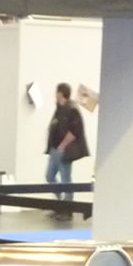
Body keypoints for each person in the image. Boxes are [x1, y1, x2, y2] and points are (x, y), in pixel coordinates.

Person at [45, 82, 89, 220]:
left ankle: (68, 210)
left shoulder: (72, 109)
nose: (55, 95)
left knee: (66, 180)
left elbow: (74, 131)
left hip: (64, 151)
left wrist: (63, 145)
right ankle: (60, 204)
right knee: (49, 176)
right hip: (54, 149)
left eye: (56, 92)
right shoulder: (59, 108)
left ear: (61, 93)